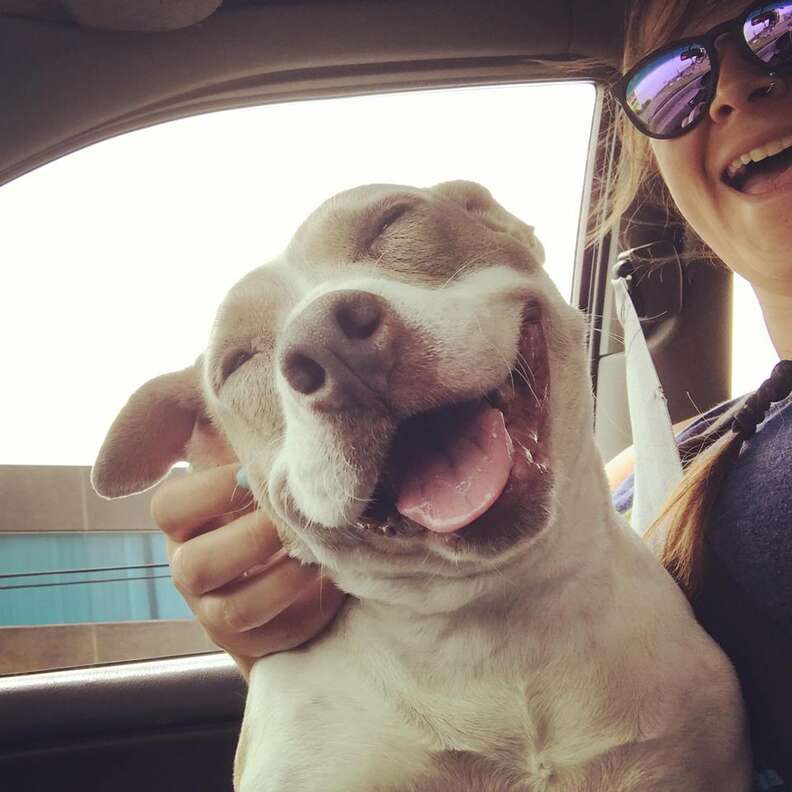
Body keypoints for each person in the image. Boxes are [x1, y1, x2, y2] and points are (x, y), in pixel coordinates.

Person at [152, 0, 792, 785]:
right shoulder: (673, 471)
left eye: (780, 25)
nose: (731, 89)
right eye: (673, 80)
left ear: (514, 236)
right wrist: (299, 676)